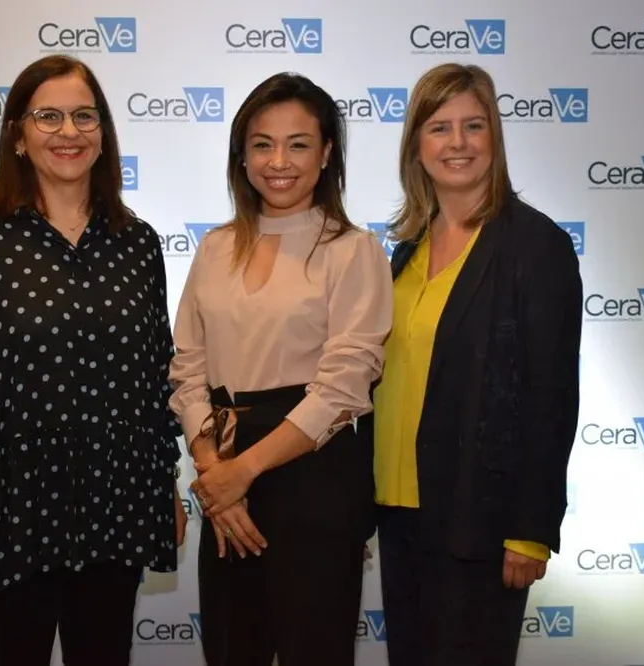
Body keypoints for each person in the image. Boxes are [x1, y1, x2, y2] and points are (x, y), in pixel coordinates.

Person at [0, 54, 187, 666]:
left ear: (104, 133)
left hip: (116, 499)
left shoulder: (136, 241)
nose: (69, 131)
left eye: (85, 116)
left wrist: (165, 483)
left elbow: (153, 378)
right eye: (49, 116)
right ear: (17, 133)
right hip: (9, 505)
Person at [168, 72, 393, 666]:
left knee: (312, 650)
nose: (279, 161)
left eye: (298, 144)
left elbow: (346, 383)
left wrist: (244, 470)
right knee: (230, 647)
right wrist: (216, 473)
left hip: (313, 473)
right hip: (223, 467)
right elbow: (188, 369)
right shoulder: (214, 247)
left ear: (326, 155)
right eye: (263, 143)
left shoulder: (353, 249)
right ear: (242, 156)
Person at [364, 63, 583, 665]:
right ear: (416, 145)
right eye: (439, 128)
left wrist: (531, 529)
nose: (456, 143)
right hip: (398, 508)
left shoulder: (536, 246)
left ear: (495, 138)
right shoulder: (406, 248)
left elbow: (552, 395)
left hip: (482, 522)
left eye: (473, 126)